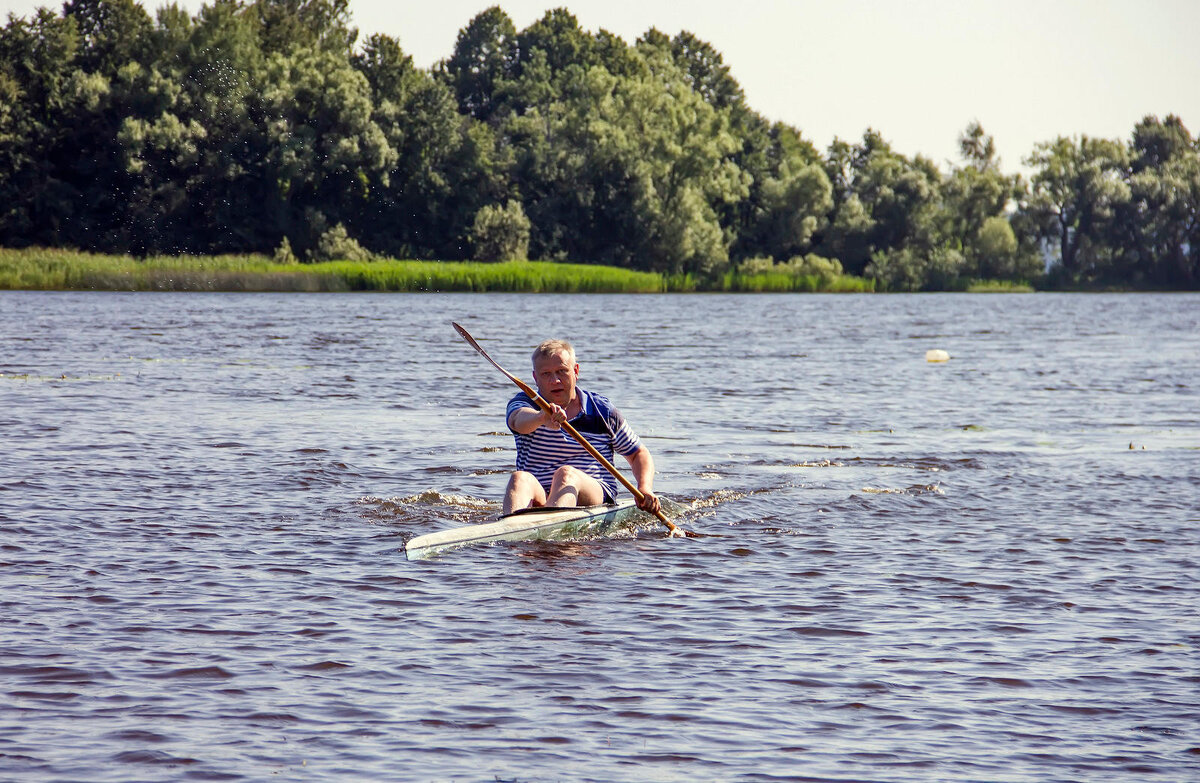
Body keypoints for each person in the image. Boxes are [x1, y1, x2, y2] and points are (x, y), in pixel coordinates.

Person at [503, 338, 662, 517]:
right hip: (541, 492)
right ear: (535, 378)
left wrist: (644, 488)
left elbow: (637, 454)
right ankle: (510, 533)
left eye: (562, 371)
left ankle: (552, 530)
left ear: (576, 371)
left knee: (566, 474)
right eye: (546, 374)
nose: (555, 380)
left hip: (594, 491)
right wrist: (541, 417)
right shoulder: (524, 403)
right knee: (519, 478)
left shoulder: (602, 410)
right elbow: (517, 421)